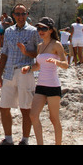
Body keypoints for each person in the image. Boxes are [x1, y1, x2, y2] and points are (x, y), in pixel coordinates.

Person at [0, 4, 40, 145]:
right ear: (13, 15)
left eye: (24, 13)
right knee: (4, 107)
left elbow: (39, 53)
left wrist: (27, 52)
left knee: (25, 108)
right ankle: (8, 138)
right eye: (18, 14)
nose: (21, 16)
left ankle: (25, 139)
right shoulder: (8, 31)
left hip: (25, 72)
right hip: (9, 72)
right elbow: (4, 53)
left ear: (27, 14)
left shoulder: (34, 32)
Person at [21, 17, 68, 145]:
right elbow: (38, 65)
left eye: (44, 28)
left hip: (53, 85)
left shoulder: (56, 44)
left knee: (54, 119)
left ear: (51, 30)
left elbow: (66, 64)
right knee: (33, 115)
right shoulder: (40, 46)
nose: (40, 31)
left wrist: (56, 62)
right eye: (39, 28)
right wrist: (29, 68)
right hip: (41, 85)